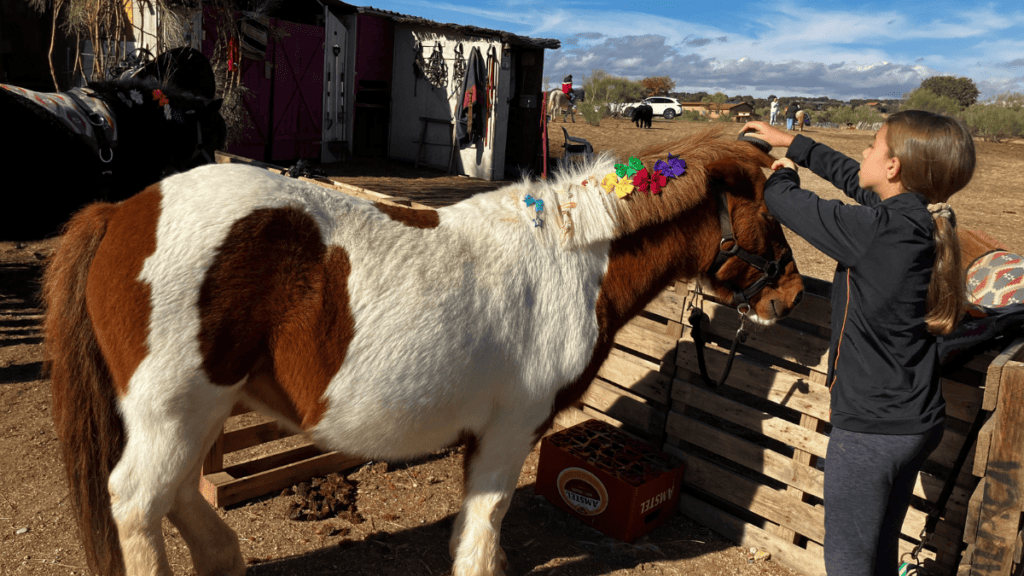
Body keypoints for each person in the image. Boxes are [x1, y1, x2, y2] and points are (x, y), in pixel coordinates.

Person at [741, 110, 976, 576]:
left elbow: (788, 203)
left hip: (871, 431)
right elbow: (856, 178)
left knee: (848, 563)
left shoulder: (875, 232)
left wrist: (783, 172)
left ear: (893, 168)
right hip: (917, 420)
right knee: (878, 553)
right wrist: (793, 141)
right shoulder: (917, 219)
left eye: (872, 144)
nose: (864, 151)